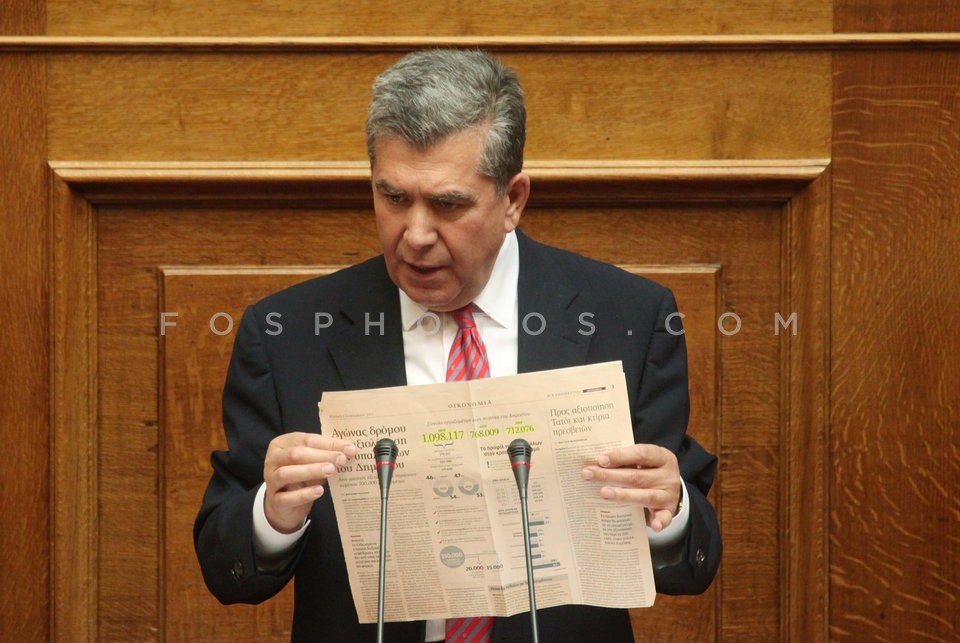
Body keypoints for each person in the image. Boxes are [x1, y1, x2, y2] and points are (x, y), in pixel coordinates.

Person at [194, 48, 721, 642]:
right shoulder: (287, 331)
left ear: (513, 200)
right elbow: (225, 566)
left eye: (448, 205)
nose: (416, 235)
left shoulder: (628, 317)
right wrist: (273, 515)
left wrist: (669, 511)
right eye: (394, 198)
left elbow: (691, 564)